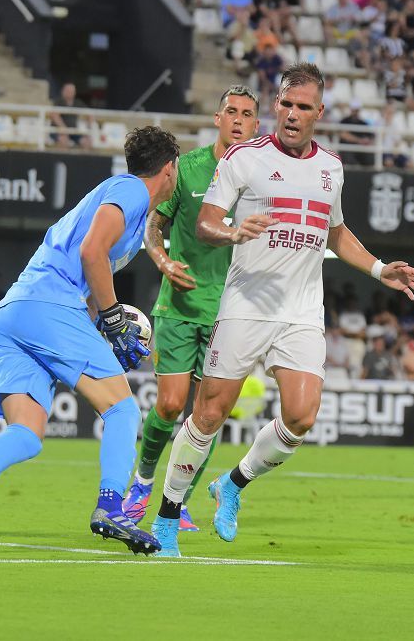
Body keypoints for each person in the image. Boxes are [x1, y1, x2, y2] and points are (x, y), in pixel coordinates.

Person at [149, 63, 414, 557]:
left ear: (319, 112)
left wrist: (381, 269)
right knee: (209, 413)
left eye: (304, 107)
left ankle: (233, 484)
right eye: (287, 105)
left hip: (301, 310)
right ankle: (167, 517)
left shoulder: (332, 168)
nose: (293, 115)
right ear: (276, 106)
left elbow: (336, 232)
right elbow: (207, 223)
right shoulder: (243, 158)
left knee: (301, 416)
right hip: (245, 304)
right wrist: (235, 232)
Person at [0, 126, 180, 557]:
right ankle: (111, 508)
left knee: (27, 434)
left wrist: (103, 321)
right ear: (169, 169)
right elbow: (91, 253)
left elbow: (92, 273)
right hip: (50, 306)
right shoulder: (131, 191)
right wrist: (115, 319)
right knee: (123, 408)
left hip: (15, 312)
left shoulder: (118, 201)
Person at [121, 85, 260, 533]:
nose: (239, 120)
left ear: (257, 126)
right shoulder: (188, 170)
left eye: (247, 114)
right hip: (180, 305)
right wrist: (162, 261)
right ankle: (142, 481)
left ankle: (175, 501)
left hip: (232, 315)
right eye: (231, 112)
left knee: (207, 415)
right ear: (217, 119)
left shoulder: (263, 179)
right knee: (169, 403)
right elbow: (153, 226)